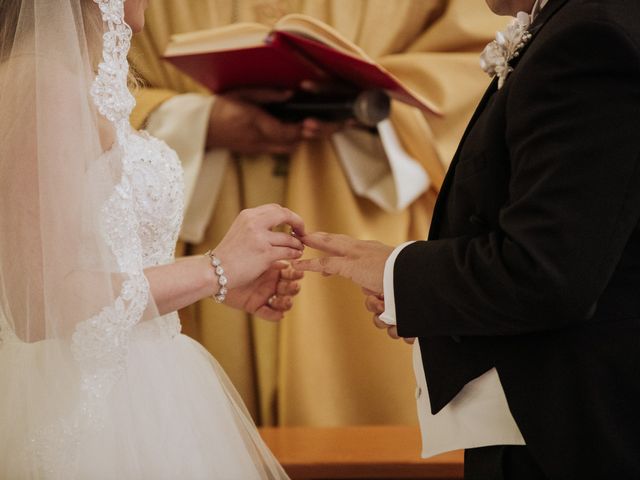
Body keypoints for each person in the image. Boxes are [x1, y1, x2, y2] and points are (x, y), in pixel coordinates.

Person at [294, 0, 640, 477]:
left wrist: (397, 274)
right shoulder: (580, 22)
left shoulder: (592, 36)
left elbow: (547, 272)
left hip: (580, 431)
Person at [128, 0, 506, 425]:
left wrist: (364, 104)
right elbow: (86, 66)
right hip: (201, 218)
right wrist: (197, 120)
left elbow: (492, 46)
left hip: (360, 201)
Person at [0, 0, 303, 477]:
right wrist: (211, 268)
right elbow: (37, 302)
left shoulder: (78, 80)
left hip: (152, 390)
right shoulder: (43, 82)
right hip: (89, 409)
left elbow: (97, 254)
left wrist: (213, 281)